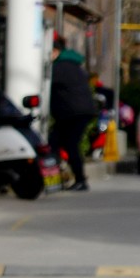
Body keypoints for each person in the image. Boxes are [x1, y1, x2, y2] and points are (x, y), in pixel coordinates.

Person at [48, 38, 97, 191]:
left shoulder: (59, 68)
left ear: (55, 52)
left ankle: (79, 180)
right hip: (77, 112)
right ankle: (59, 178)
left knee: (68, 145)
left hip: (73, 113)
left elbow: (44, 84)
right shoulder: (73, 65)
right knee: (55, 143)